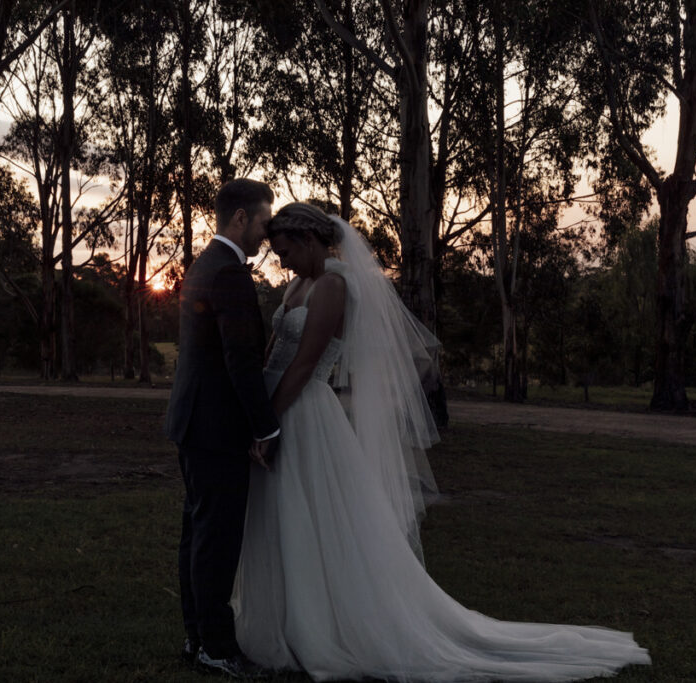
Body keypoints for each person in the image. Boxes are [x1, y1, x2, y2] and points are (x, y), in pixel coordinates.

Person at [232, 202, 651, 682]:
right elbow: (274, 352)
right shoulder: (296, 284)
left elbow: (306, 365)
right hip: (276, 408)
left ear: (309, 240)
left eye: (285, 251)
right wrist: (256, 412)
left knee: (311, 520)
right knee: (283, 518)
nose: (281, 262)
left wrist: (270, 424)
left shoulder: (332, 285)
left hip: (304, 414)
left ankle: (321, 626)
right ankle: (285, 620)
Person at [164, 178, 280, 679]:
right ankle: (215, 646)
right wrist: (265, 427)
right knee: (216, 540)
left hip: (193, 421)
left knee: (198, 535)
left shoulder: (203, 263)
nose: (266, 232)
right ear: (240, 218)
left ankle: (197, 638)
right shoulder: (230, 273)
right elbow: (240, 359)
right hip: (217, 427)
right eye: (262, 221)